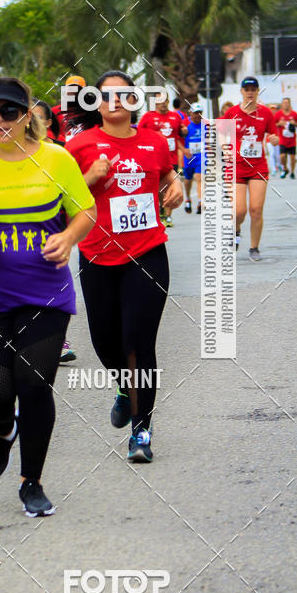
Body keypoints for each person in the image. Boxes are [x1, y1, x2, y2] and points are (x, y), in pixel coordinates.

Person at [0, 77, 95, 516]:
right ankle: (4, 430)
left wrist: (67, 237)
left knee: (34, 384)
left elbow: (85, 209)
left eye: (10, 111)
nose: (1, 120)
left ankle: (32, 482)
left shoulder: (56, 159)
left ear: (28, 115)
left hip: (45, 293)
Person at [66, 70, 183, 463]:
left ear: (135, 101)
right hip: (97, 254)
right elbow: (61, 199)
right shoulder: (79, 145)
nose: (115, 101)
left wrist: (176, 182)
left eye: (123, 95)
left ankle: (141, 431)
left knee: (138, 343)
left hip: (147, 252)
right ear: (95, 104)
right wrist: (89, 177)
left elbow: (166, 172)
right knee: (104, 342)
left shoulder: (154, 141)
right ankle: (122, 386)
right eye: (106, 96)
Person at [33, 99, 76, 364]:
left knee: (56, 281)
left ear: (49, 122)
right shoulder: (11, 152)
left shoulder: (62, 152)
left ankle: (58, 340)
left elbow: (76, 191)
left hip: (55, 227)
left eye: (38, 117)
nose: (31, 123)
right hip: (20, 228)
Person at [223, 77, 278, 261]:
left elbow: (273, 134)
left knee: (256, 209)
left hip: (258, 166)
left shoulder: (266, 113)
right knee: (239, 211)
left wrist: (274, 139)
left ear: (257, 91)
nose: (250, 92)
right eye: (246, 89)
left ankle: (254, 248)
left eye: (253, 89)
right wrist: (225, 147)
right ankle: (236, 229)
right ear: (241, 91)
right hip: (236, 166)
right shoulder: (232, 113)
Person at [138, 91, 185, 227]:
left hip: (172, 158)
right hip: (154, 158)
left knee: (170, 186)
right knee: (159, 188)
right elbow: (138, 133)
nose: (163, 103)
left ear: (168, 102)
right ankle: (161, 210)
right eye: (160, 100)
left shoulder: (175, 117)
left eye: (165, 100)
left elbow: (180, 134)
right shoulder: (148, 117)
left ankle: (168, 216)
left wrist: (184, 131)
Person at [182, 103, 206, 213]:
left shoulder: (206, 125)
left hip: (201, 156)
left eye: (200, 113)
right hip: (189, 157)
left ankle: (201, 202)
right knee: (188, 180)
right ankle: (187, 198)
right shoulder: (185, 124)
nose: (198, 115)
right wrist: (183, 149)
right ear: (191, 113)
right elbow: (178, 138)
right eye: (196, 113)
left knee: (199, 177)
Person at [274, 97, 297, 179]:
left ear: (289, 104)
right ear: (282, 104)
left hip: (292, 140)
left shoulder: (294, 114)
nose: (286, 104)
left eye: (287, 103)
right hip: (282, 139)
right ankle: (285, 168)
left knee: (292, 157)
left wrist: (295, 123)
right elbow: (273, 124)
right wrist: (279, 123)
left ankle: (292, 172)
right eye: (284, 103)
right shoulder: (278, 114)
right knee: (282, 156)